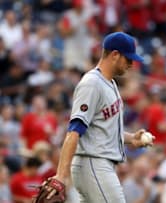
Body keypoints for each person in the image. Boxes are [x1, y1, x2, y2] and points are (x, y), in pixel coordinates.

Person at [46, 32, 154, 202]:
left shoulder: (110, 83)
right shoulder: (92, 83)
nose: (132, 64)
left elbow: (101, 130)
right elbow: (74, 131)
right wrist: (61, 175)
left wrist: (132, 138)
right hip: (93, 163)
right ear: (115, 55)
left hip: (97, 164)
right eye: (128, 59)